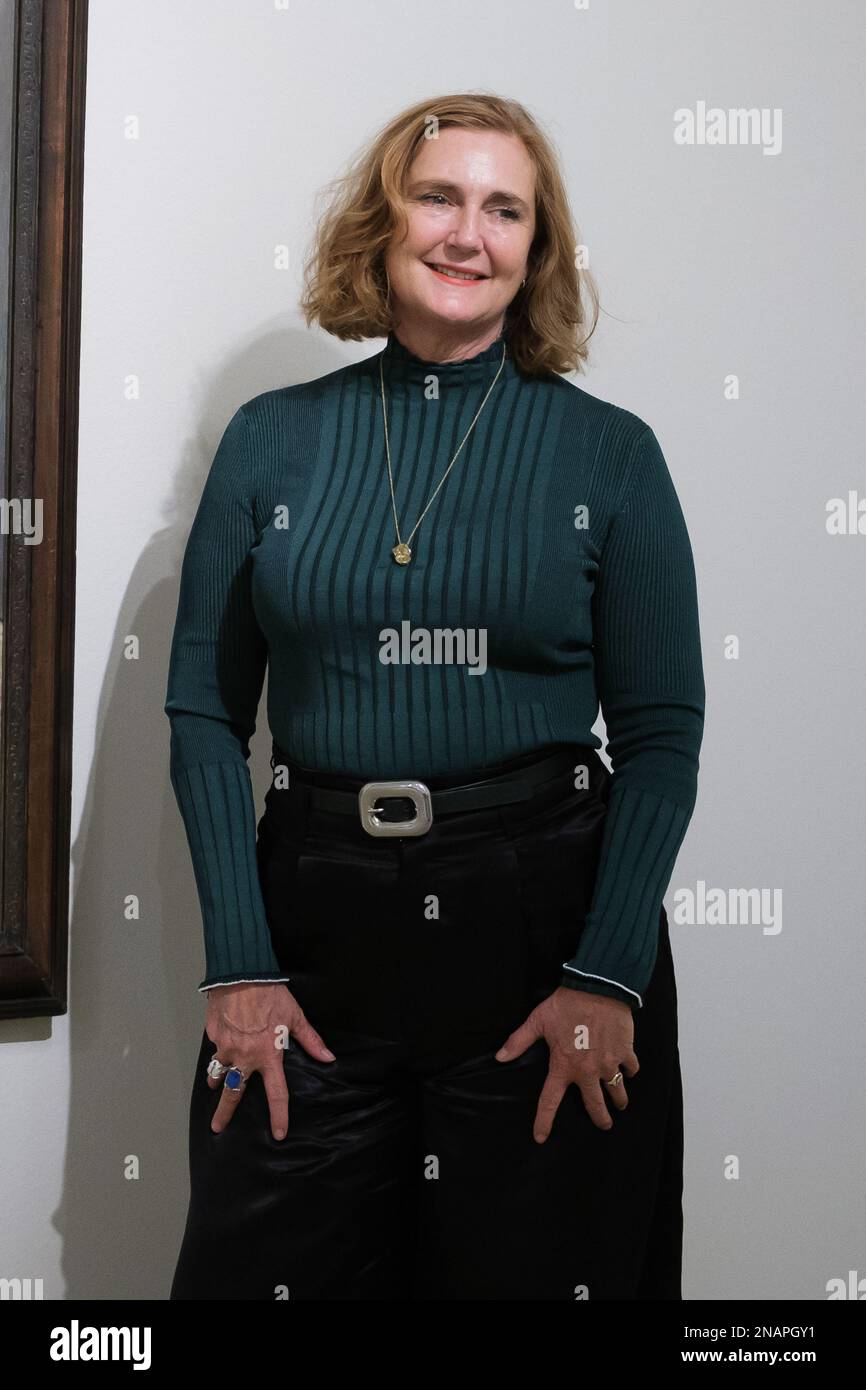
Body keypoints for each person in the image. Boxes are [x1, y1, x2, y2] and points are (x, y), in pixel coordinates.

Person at [165, 91, 705, 1301]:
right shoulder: (270, 441)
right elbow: (204, 710)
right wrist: (237, 965)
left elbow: (661, 735)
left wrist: (606, 973)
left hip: (542, 935)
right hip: (313, 932)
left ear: (536, 249)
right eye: (439, 196)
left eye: (504, 208)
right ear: (384, 221)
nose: (468, 232)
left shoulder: (610, 456)